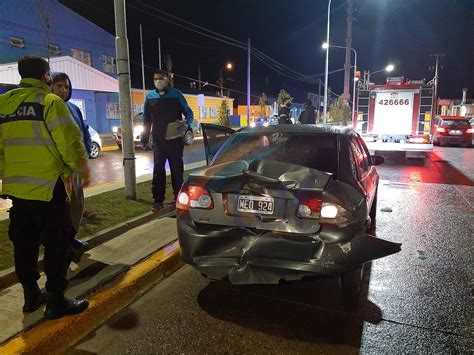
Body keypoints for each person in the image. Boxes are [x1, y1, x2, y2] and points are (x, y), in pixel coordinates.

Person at [0, 56, 90, 319]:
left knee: (23, 245)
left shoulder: (4, 104)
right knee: (56, 246)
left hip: (18, 192)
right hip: (50, 189)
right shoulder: (50, 102)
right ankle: (55, 301)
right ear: (46, 76)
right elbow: (70, 142)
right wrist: (82, 171)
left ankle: (30, 297)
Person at [51, 72, 91, 264]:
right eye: (59, 86)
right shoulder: (49, 107)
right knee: (61, 211)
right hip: (59, 171)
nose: (63, 90)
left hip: (75, 169)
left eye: (66, 87)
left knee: (77, 206)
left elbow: (83, 131)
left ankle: (71, 239)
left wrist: (87, 152)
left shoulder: (73, 108)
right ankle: (65, 246)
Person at [141, 69, 194, 213]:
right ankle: (158, 201)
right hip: (158, 142)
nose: (158, 81)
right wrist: (144, 139)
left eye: (161, 78)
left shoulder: (176, 95)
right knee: (158, 171)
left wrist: (187, 124)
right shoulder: (150, 97)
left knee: (177, 171)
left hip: (175, 141)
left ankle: (179, 198)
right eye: (155, 79)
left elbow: (189, 113)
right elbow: (146, 120)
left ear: (167, 80)